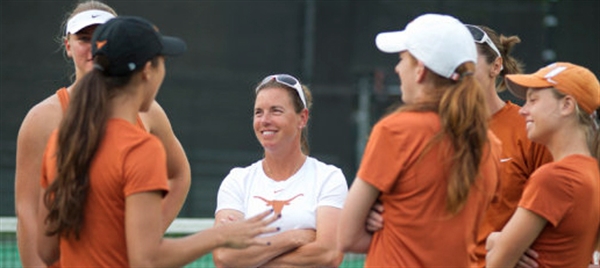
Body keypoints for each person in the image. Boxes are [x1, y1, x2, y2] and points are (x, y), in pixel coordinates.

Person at [36, 16, 279, 267]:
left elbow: (46, 250)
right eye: (162, 62)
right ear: (147, 71)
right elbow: (147, 260)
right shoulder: (141, 149)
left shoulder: (61, 141)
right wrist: (220, 235)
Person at [15, 1, 191, 266]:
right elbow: (28, 213)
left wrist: (140, 240)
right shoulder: (42, 119)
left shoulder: (149, 113)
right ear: (68, 46)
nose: (94, 49)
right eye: (85, 39)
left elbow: (179, 175)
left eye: (102, 38)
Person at [337, 13, 501, 267]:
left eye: (403, 59)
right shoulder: (490, 144)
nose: (397, 68)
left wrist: (385, 226)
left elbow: (347, 237)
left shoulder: (396, 130)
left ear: (420, 70)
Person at [212, 74, 348, 267]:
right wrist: (293, 238)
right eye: (258, 112)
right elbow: (224, 258)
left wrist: (253, 260)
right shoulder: (237, 181)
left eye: (276, 111)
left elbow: (329, 255)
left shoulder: (329, 178)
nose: (265, 120)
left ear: (302, 118)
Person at [486, 62, 600, 267]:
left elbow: (496, 264)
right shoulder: (590, 171)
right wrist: (497, 240)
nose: (523, 111)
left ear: (566, 105)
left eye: (533, 100)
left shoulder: (553, 177)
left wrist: (496, 243)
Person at [465, 24, 553, 267]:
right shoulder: (432, 132)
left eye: (468, 63)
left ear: (496, 66)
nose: (459, 72)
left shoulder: (529, 128)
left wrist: (519, 244)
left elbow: (562, 207)